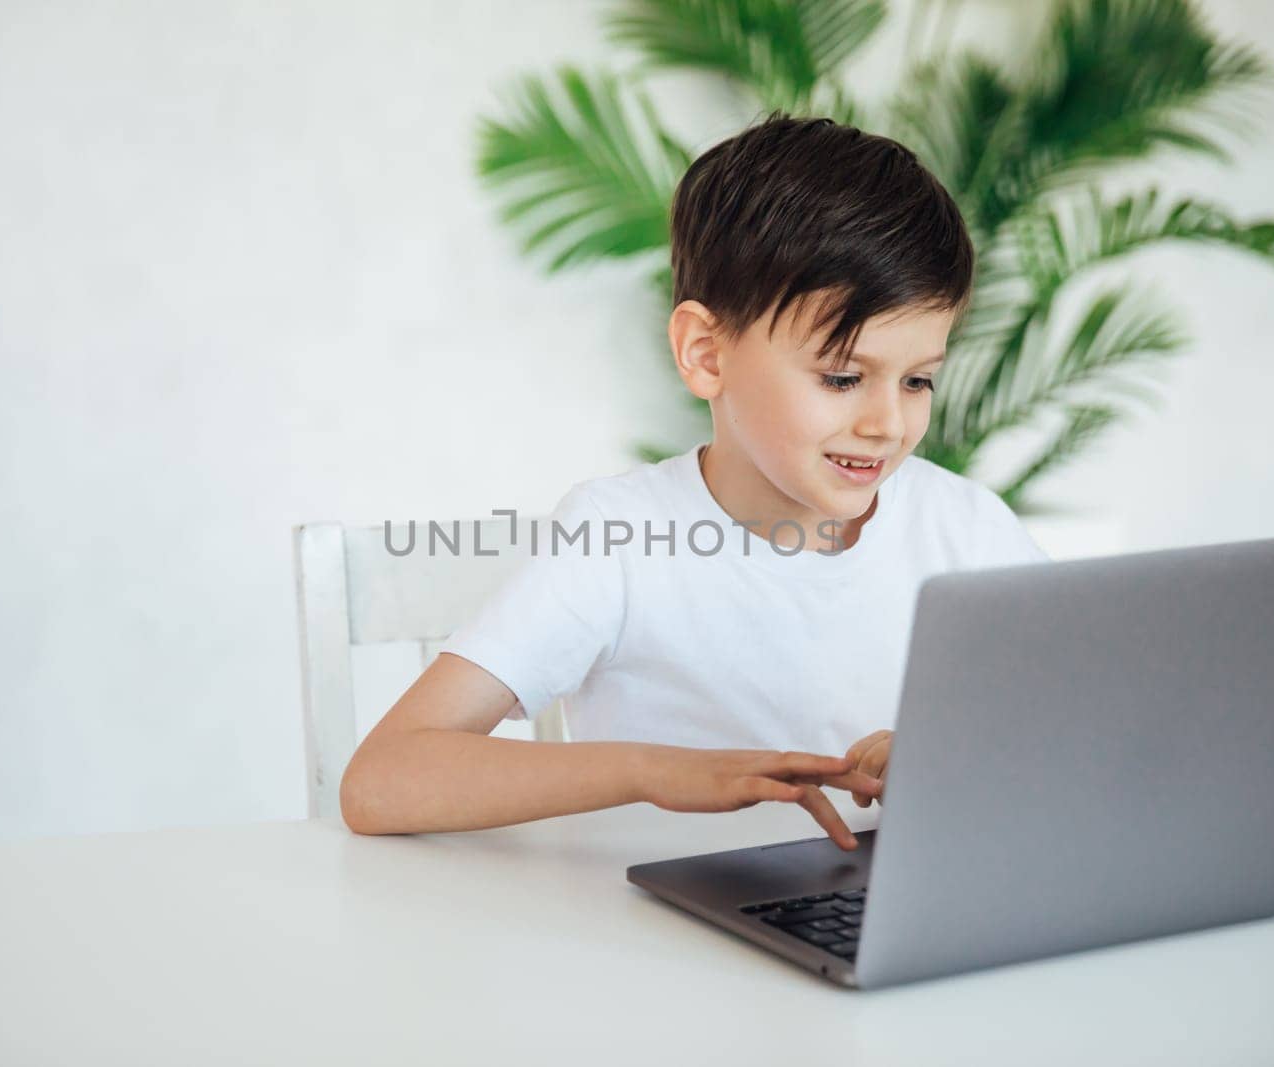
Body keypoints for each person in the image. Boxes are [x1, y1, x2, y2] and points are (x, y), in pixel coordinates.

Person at [339, 112, 1049, 848]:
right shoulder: (619, 539)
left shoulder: (967, 527)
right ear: (706, 354)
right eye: (842, 376)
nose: (887, 423)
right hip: (658, 944)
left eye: (918, 381)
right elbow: (379, 779)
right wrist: (651, 771)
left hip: (887, 926)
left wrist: (954, 757)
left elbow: (1081, 730)